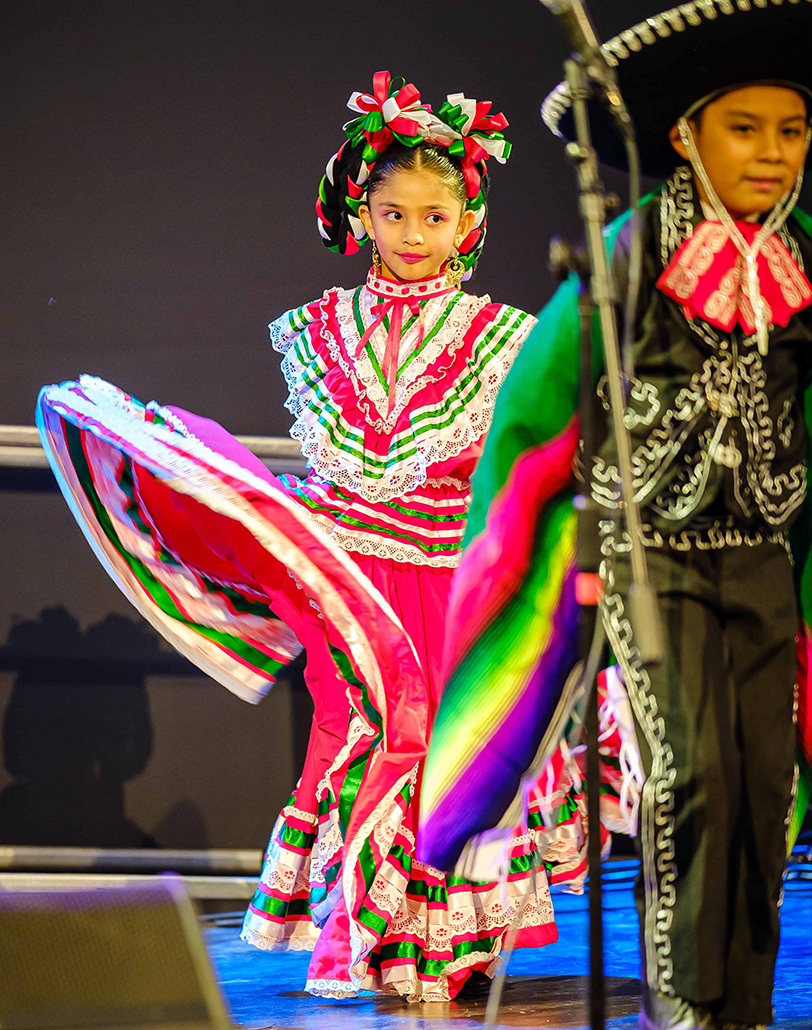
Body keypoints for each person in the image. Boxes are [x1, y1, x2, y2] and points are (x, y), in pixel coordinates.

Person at [36, 72, 586, 1001]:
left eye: (435, 216)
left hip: (449, 578)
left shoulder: (502, 337)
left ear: (468, 223)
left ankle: (441, 937)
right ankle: (363, 933)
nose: (413, 235)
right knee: (357, 733)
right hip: (347, 578)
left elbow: (519, 468)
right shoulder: (321, 331)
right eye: (394, 213)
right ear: (361, 214)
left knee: (441, 744)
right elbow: (343, 470)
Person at [417, 5, 812, 1029]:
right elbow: (541, 411)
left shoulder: (805, 263)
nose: (769, 153)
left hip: (760, 555)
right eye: (743, 127)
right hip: (656, 560)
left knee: (765, 792)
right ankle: (686, 1007)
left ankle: (747, 1011)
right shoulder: (629, 254)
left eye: (791, 129)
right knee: (694, 779)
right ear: (683, 134)